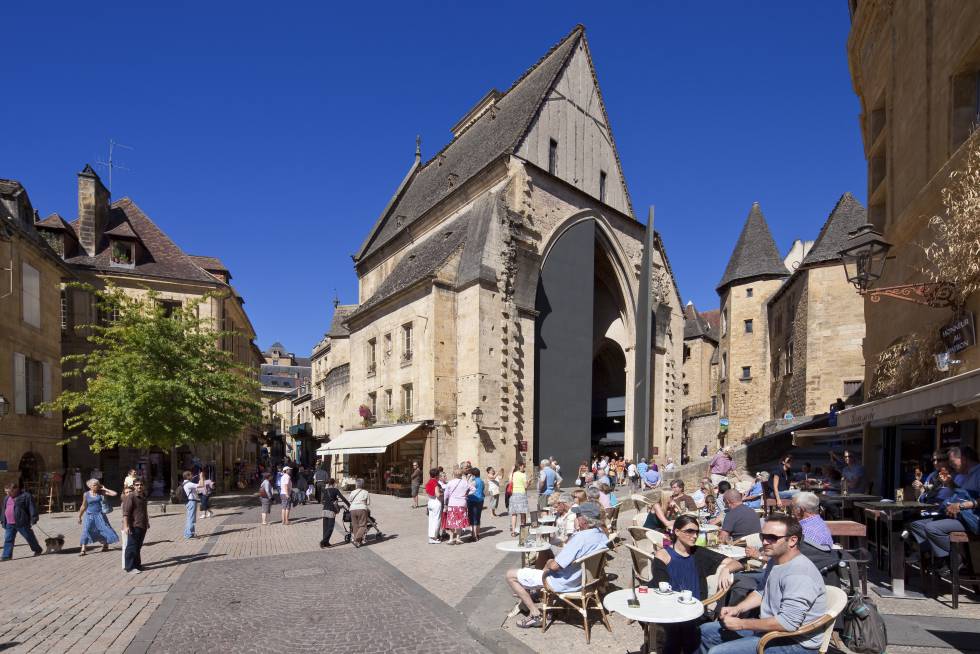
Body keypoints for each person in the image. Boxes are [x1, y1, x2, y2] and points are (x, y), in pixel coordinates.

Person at [698, 515, 828, 654]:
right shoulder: (776, 560)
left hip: (795, 642)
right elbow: (761, 592)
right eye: (763, 536)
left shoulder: (800, 574)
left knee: (718, 652)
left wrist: (741, 624)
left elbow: (788, 623)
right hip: (771, 631)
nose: (765, 542)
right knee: (705, 631)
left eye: (772, 537)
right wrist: (737, 609)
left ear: (792, 540)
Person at [505, 502, 609, 629]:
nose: (575, 518)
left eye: (577, 515)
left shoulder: (581, 538)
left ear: (584, 521)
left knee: (510, 575)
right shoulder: (601, 534)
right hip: (586, 580)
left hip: (565, 582)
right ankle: (540, 594)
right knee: (547, 556)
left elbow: (554, 566)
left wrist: (548, 564)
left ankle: (535, 614)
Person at [650, 515, 743, 654]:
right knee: (677, 634)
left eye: (696, 532)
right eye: (689, 531)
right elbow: (660, 585)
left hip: (695, 609)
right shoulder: (664, 555)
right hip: (670, 609)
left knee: (685, 634)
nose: (694, 536)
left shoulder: (698, 552)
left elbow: (737, 563)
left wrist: (726, 569)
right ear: (676, 531)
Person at [908, 446, 980, 573]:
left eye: (952, 462)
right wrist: (950, 484)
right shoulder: (964, 475)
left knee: (932, 528)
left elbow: (968, 500)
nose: (951, 465)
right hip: (956, 515)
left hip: (972, 518)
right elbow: (962, 494)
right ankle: (940, 557)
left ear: (963, 459)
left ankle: (955, 561)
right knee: (916, 525)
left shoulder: (978, 473)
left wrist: (960, 506)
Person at [1, 482, 43, 560]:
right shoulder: (6, 498)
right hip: (9, 523)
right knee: (8, 539)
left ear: (16, 489)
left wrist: (34, 518)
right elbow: (4, 510)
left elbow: (32, 507)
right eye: (6, 492)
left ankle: (37, 549)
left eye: (9, 491)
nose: (7, 493)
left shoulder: (26, 496)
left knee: (29, 537)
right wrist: (3, 521)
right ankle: (6, 556)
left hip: (22, 522)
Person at [78, 479, 120, 555]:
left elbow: (115, 494)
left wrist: (104, 488)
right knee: (86, 530)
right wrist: (79, 516)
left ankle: (105, 544)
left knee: (104, 529)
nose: (96, 486)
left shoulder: (101, 493)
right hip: (89, 516)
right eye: (94, 485)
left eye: (97, 484)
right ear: (90, 486)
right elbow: (83, 506)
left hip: (100, 515)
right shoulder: (86, 494)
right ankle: (83, 549)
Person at [122, 479, 149, 573]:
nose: (139, 486)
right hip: (134, 525)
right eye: (137, 485)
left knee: (138, 546)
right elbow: (126, 513)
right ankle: (130, 567)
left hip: (142, 524)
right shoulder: (131, 496)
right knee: (132, 546)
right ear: (133, 486)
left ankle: (137, 565)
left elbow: (143, 511)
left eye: (141, 484)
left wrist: (147, 522)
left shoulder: (143, 496)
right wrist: (126, 526)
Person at [443, 468, 470, 545]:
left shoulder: (450, 483)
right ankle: (458, 538)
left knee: (451, 521)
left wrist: (445, 503)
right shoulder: (465, 482)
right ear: (461, 474)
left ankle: (451, 538)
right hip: (462, 503)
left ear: (454, 474)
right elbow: (473, 489)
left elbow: (446, 495)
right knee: (460, 521)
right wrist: (466, 494)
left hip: (452, 504)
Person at [320, 478, 347, 548]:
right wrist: (349, 504)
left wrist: (328, 502)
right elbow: (343, 498)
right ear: (334, 483)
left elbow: (322, 501)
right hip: (331, 511)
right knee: (330, 528)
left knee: (325, 528)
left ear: (328, 484)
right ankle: (323, 541)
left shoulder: (325, 490)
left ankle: (326, 543)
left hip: (324, 510)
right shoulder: (335, 490)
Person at [181, 470, 204, 539]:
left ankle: (188, 533)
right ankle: (189, 534)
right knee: (191, 518)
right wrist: (201, 477)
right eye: (191, 475)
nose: (192, 476)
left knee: (190, 518)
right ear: (188, 476)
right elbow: (202, 485)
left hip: (190, 502)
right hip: (191, 502)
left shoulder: (186, 483)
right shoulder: (189, 484)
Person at [348, 478, 371, 547]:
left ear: (356, 485)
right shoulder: (366, 492)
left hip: (352, 509)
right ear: (363, 484)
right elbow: (368, 503)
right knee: (363, 525)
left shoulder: (352, 492)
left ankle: (358, 542)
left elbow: (350, 501)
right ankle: (356, 539)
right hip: (362, 509)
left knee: (355, 526)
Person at [509, 462, 530, 537]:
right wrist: (529, 482)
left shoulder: (513, 474)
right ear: (520, 466)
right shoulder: (523, 475)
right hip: (521, 494)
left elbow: (510, 482)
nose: (524, 468)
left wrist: (511, 471)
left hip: (514, 494)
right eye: (523, 466)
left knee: (514, 514)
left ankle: (513, 531)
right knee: (523, 513)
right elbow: (525, 486)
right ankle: (523, 531)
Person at [424, 468, 443, 544]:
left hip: (430, 501)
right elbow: (437, 494)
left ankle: (431, 537)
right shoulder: (435, 483)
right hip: (436, 502)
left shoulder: (428, 482)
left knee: (431, 520)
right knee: (436, 520)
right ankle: (434, 537)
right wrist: (443, 492)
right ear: (436, 475)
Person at [466, 467, 486, 542]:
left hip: (473, 500)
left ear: (473, 475)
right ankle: (477, 534)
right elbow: (482, 489)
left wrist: (468, 479)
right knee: (478, 518)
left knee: (472, 519)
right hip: (480, 500)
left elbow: (467, 488)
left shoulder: (473, 482)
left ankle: (473, 536)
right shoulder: (481, 481)